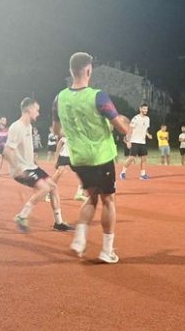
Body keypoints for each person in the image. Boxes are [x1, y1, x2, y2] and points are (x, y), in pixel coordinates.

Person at [52, 52, 130, 264]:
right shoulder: (98, 96)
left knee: (91, 197)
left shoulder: (59, 98)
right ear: (88, 70)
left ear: (71, 71)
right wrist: (124, 127)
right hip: (100, 157)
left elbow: (56, 130)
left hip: (78, 159)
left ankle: (79, 241)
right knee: (108, 200)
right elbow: (122, 128)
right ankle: (107, 250)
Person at [5, 98, 72, 233]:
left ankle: (58, 223)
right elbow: (7, 151)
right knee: (45, 188)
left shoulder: (29, 126)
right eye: (36, 110)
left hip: (31, 167)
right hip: (21, 169)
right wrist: (17, 168)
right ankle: (22, 216)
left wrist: (33, 162)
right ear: (29, 109)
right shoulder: (16, 127)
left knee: (53, 186)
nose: (38, 113)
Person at [120, 103, 152, 180]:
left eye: (146, 109)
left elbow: (145, 129)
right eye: (144, 109)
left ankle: (143, 174)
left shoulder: (147, 119)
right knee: (131, 158)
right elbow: (130, 130)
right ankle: (123, 172)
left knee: (144, 158)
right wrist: (128, 141)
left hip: (142, 142)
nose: (145, 110)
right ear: (140, 109)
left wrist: (148, 134)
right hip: (134, 141)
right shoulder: (135, 118)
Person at [52, 132, 86, 202]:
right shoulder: (70, 131)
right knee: (59, 172)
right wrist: (56, 158)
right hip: (65, 155)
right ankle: (48, 193)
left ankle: (79, 194)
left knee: (82, 174)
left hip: (75, 157)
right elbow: (60, 142)